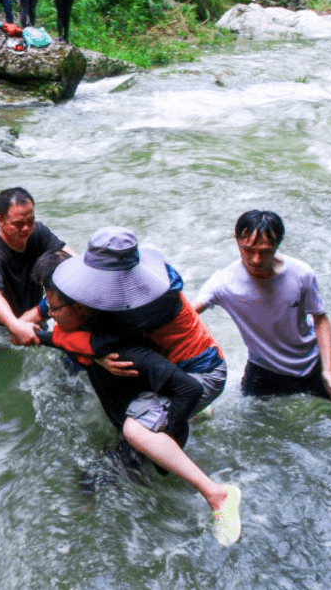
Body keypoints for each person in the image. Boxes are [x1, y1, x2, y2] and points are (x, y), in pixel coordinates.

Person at [35, 230, 241, 547]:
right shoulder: (131, 286)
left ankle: (218, 494)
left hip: (199, 372)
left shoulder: (145, 305)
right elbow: (67, 315)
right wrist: (27, 322)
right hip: (170, 369)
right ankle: (191, 415)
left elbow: (98, 341)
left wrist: (47, 336)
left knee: (135, 432)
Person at [193, 210, 331, 418]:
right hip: (265, 372)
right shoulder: (223, 283)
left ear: (279, 243)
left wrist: (328, 371)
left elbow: (320, 318)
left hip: (314, 362)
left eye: (265, 251)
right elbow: (186, 316)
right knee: (245, 423)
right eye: (248, 250)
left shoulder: (301, 273)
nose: (255, 259)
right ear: (236, 240)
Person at [0, 187, 71, 344]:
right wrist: (15, 325)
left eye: (30, 221)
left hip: (32, 315)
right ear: (0, 220)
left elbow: (67, 257)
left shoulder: (39, 233)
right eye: (18, 224)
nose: (26, 228)